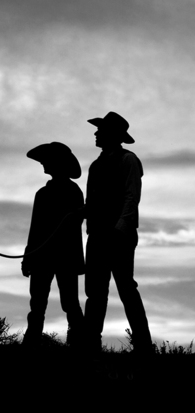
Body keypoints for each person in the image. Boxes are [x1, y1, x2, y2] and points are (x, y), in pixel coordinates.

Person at [83, 111, 153, 355]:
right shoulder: (95, 165)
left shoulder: (128, 160)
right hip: (97, 235)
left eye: (100, 131)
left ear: (112, 135)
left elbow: (131, 197)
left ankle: (144, 346)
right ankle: (91, 346)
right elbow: (91, 202)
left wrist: (120, 229)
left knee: (126, 289)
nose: (95, 133)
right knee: (95, 292)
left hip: (118, 236)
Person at [21, 142, 85, 348]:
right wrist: (28, 256)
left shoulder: (73, 192)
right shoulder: (43, 194)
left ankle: (77, 342)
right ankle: (32, 341)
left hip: (62, 256)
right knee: (38, 303)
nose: (42, 164)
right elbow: (35, 228)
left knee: (69, 303)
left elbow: (73, 224)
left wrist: (30, 255)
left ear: (56, 164)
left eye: (46, 161)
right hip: (43, 256)